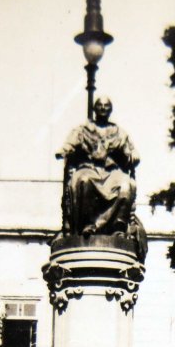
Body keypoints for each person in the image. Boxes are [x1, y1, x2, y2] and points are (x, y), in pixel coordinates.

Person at [56, 96, 142, 241]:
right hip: (90, 168)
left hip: (111, 171)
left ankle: (117, 228)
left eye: (106, 105)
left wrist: (134, 155)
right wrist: (64, 150)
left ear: (110, 109)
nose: (103, 108)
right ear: (95, 109)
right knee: (83, 180)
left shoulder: (119, 132)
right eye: (100, 105)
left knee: (126, 185)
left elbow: (131, 150)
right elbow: (69, 144)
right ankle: (88, 225)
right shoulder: (83, 130)